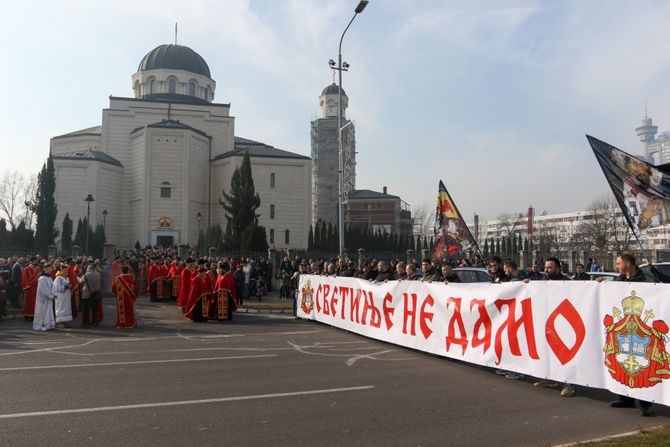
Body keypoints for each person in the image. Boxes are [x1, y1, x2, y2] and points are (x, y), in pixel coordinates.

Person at [598, 252, 653, 416]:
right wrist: (601, 285)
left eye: (618, 263)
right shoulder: (619, 281)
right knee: (622, 362)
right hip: (623, 329)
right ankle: (625, 398)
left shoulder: (646, 280)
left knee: (642, 365)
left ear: (628, 263)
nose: (616, 266)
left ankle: (646, 403)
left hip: (640, 330)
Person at [534, 257, 574, 396]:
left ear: (558, 268)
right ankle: (550, 378)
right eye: (545, 268)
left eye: (550, 268)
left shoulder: (567, 282)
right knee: (547, 352)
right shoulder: (543, 282)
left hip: (563, 324)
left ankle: (568, 384)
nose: (546, 270)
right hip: (547, 323)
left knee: (564, 354)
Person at [32, 263, 55, 331]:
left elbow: (53, 287)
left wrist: (53, 294)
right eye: (49, 268)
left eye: (51, 268)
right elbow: (43, 289)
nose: (50, 270)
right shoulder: (42, 278)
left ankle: (48, 324)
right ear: (44, 269)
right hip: (42, 299)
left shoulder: (49, 277)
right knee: (41, 312)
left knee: (48, 312)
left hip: (48, 299)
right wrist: (50, 295)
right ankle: (40, 325)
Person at [53, 264, 73, 328]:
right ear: (61, 271)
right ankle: (59, 322)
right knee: (60, 309)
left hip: (66, 297)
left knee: (65, 309)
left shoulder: (67, 278)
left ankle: (64, 321)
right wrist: (66, 286)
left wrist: (70, 287)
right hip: (60, 297)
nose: (66, 271)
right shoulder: (58, 278)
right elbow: (56, 288)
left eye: (66, 270)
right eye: (64, 270)